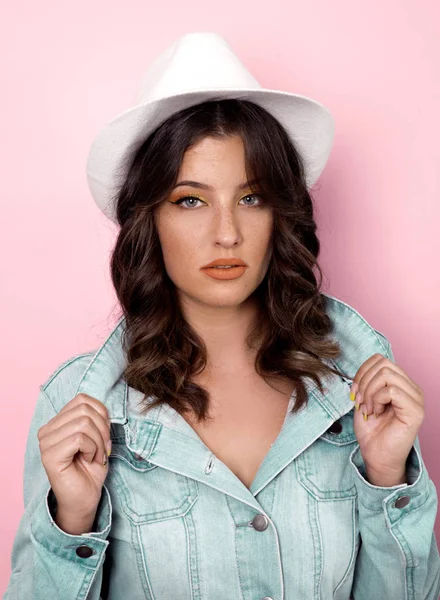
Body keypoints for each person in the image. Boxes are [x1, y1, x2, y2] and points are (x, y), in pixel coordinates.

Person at [4, 32, 440, 600]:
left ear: (279, 214)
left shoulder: (358, 391)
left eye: (251, 198)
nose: (227, 233)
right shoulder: (78, 407)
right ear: (150, 219)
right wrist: (73, 522)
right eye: (191, 200)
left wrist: (387, 479)